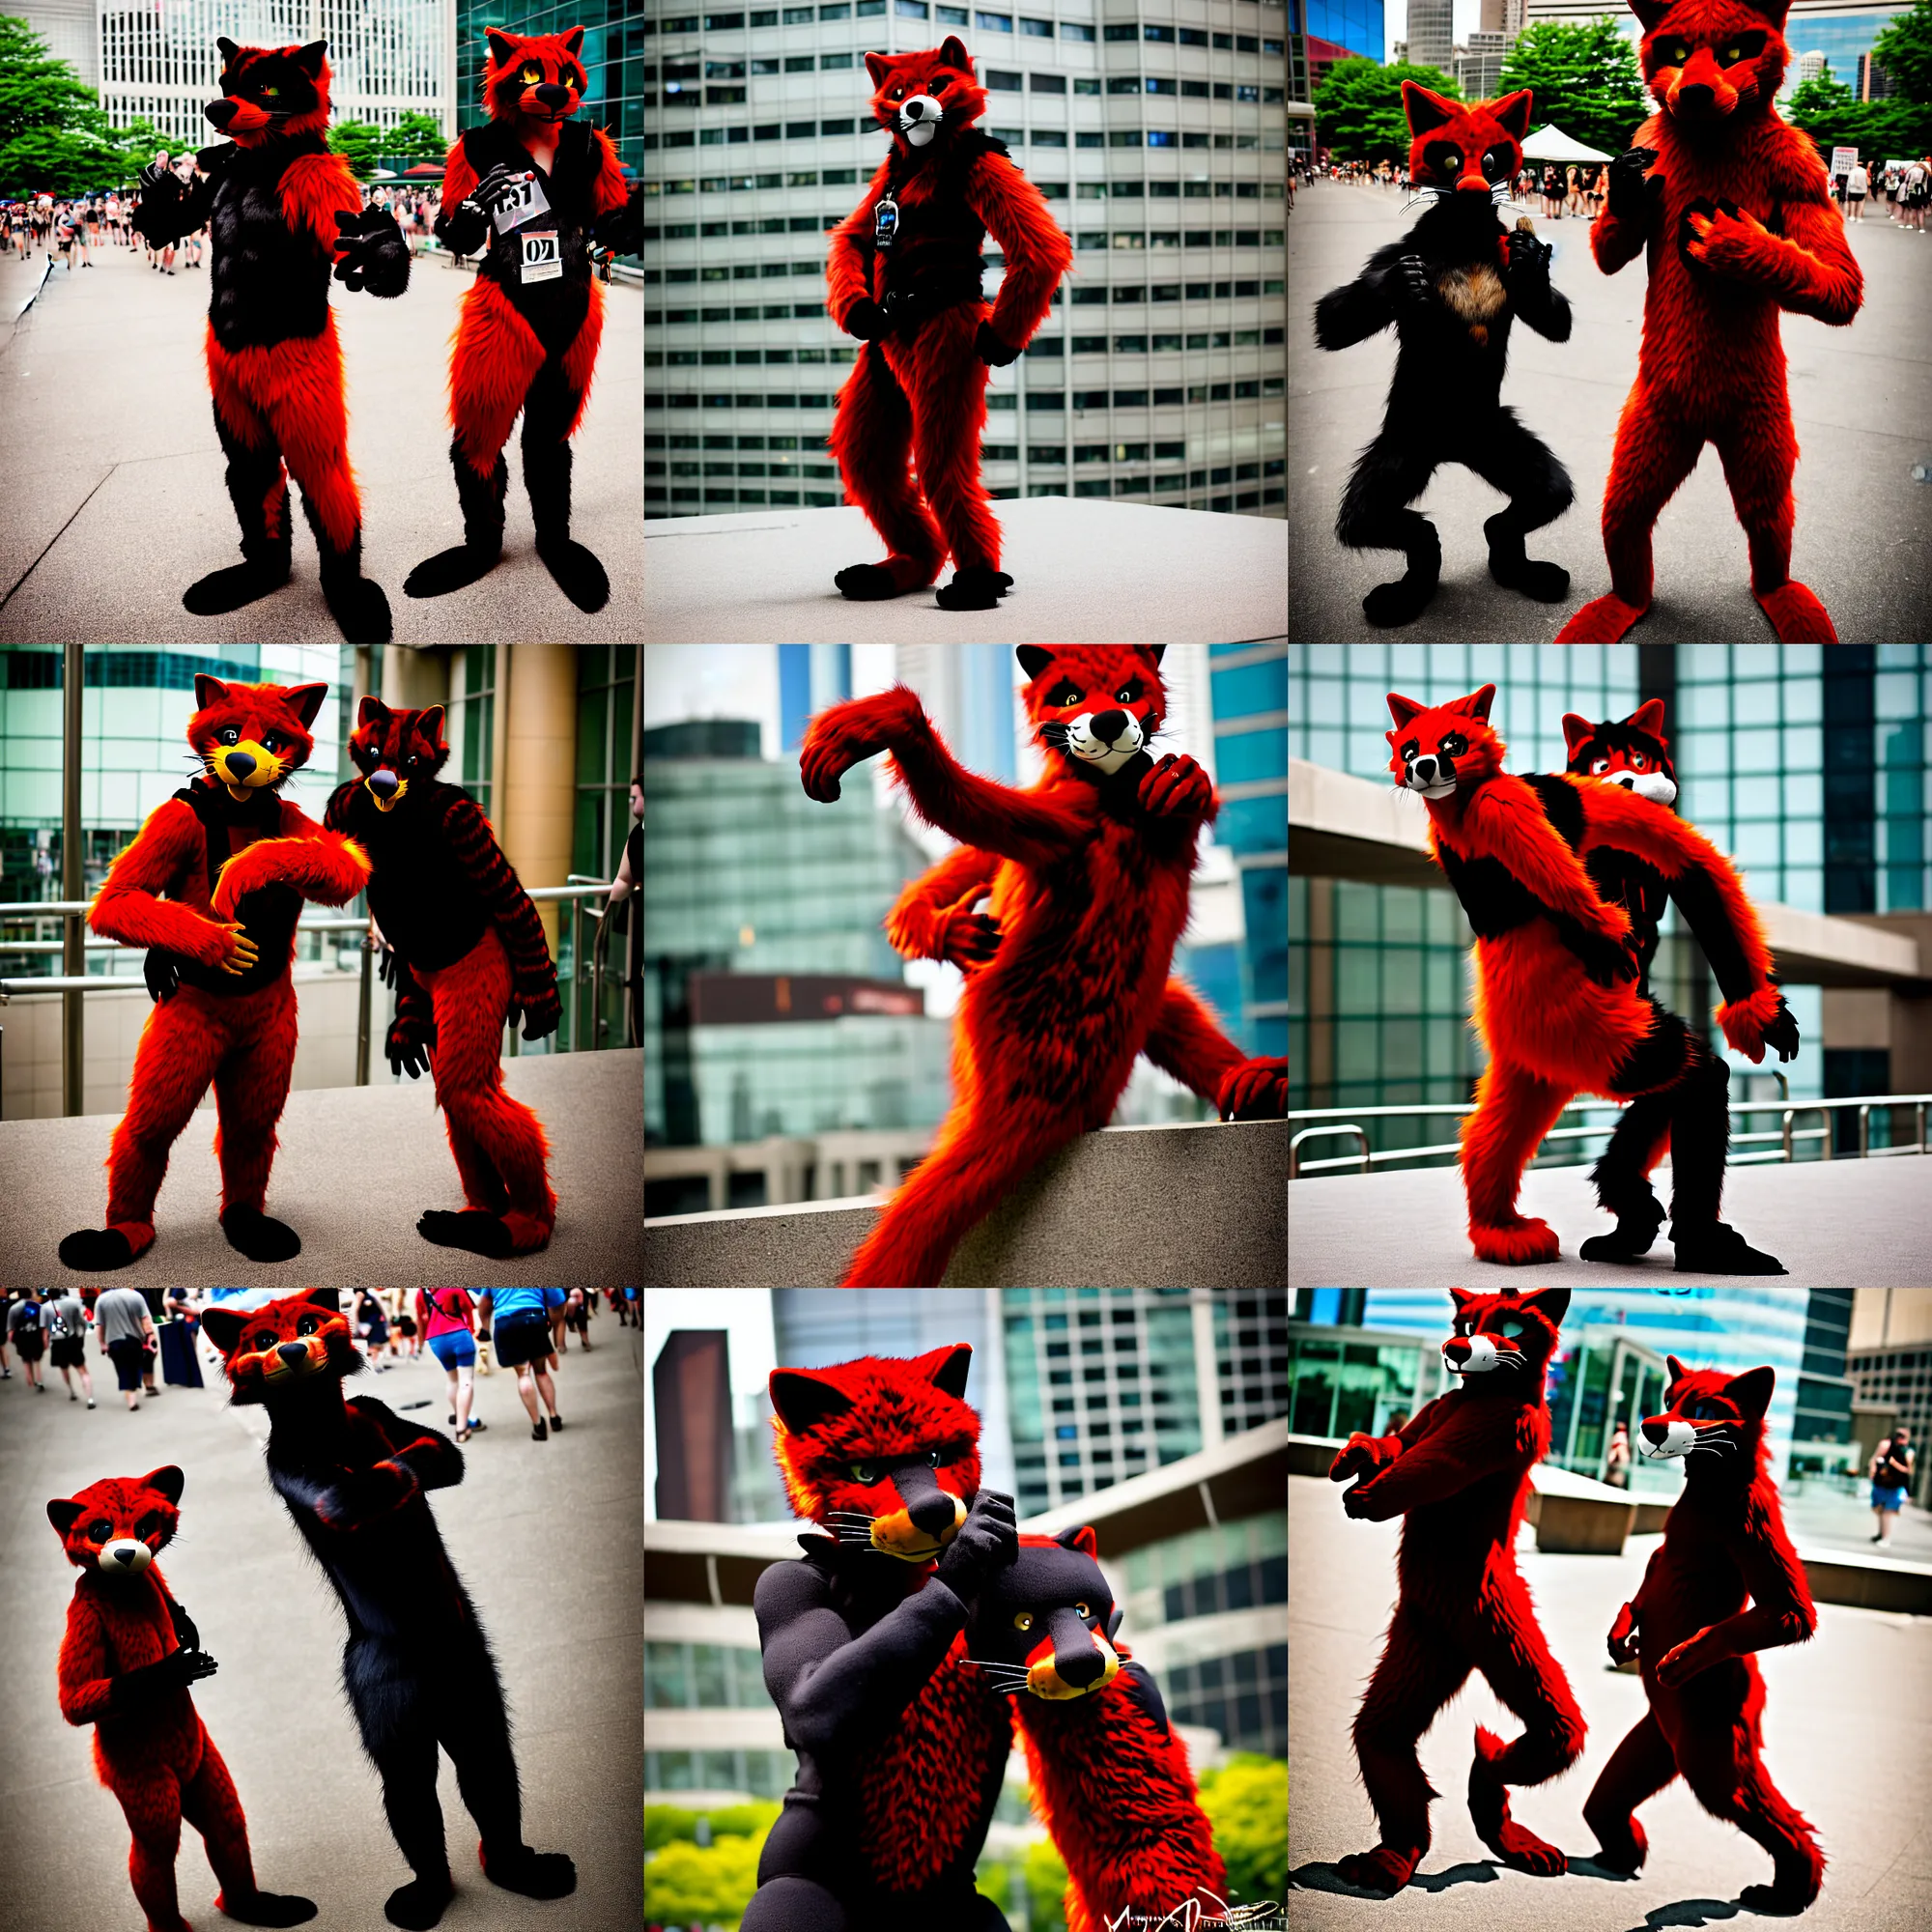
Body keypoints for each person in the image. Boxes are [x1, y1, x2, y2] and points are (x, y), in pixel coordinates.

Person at [478, 1286, 566, 1439]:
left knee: (523, 1374)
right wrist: (552, 1322)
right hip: (534, 1318)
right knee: (541, 1371)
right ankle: (554, 1416)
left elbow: (483, 1305)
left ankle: (538, 1425)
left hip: (506, 1323)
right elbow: (558, 1301)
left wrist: (485, 1328)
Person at [418, 1284, 484, 1441]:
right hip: (459, 1334)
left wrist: (420, 1344)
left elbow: (420, 1318)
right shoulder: (453, 1287)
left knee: (452, 1380)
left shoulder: (421, 1292)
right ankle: (462, 1428)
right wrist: (472, 1330)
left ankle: (460, 1416)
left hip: (436, 1339)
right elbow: (468, 1309)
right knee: (466, 1380)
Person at [94, 1282, 158, 1411]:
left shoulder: (101, 1300)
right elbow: (145, 1319)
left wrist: (102, 1344)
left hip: (114, 1341)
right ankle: (140, 1389)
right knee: (136, 1365)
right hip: (135, 1339)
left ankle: (131, 1400)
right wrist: (151, 1336)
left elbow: (99, 1325)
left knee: (123, 1369)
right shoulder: (135, 1295)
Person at [47, 1289, 96, 1406]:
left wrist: (45, 1341)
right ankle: (90, 1398)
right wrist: (81, 1335)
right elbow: (82, 1322)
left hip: (57, 1342)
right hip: (72, 1339)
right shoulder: (72, 1304)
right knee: (82, 1369)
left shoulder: (45, 1308)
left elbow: (44, 1328)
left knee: (64, 1368)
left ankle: (71, 1391)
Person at [1870, 1427, 1914, 1545]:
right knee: (1881, 1509)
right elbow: (1874, 1459)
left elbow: (1908, 1470)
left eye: (1902, 1436)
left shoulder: (1907, 1451)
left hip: (1896, 1486)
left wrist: (1894, 1463)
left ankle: (1886, 1538)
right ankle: (1881, 1534)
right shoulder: (1886, 1445)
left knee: (1887, 1512)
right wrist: (1873, 1470)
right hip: (1882, 1483)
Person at [8, 1289, 50, 1391]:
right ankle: (39, 1381)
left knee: (26, 1360)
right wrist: (45, 1339)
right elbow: (43, 1326)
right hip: (35, 1336)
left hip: (21, 1338)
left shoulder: (14, 1308)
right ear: (30, 1294)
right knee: (36, 1360)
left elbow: (11, 1328)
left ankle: (30, 1380)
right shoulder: (38, 1307)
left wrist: (12, 1340)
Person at [1605, 1421, 1632, 1490]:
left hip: (1617, 1471)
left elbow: (1620, 1453)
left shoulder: (1620, 1436)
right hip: (1615, 1472)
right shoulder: (1619, 1436)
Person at [1846, 156, 1867, 221]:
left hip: (1853, 189)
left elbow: (1850, 181)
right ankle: (1859, 217)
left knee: (1853, 202)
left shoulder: (1852, 171)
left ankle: (1852, 216)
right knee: (1860, 203)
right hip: (1862, 190)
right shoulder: (1865, 171)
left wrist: (1847, 189)